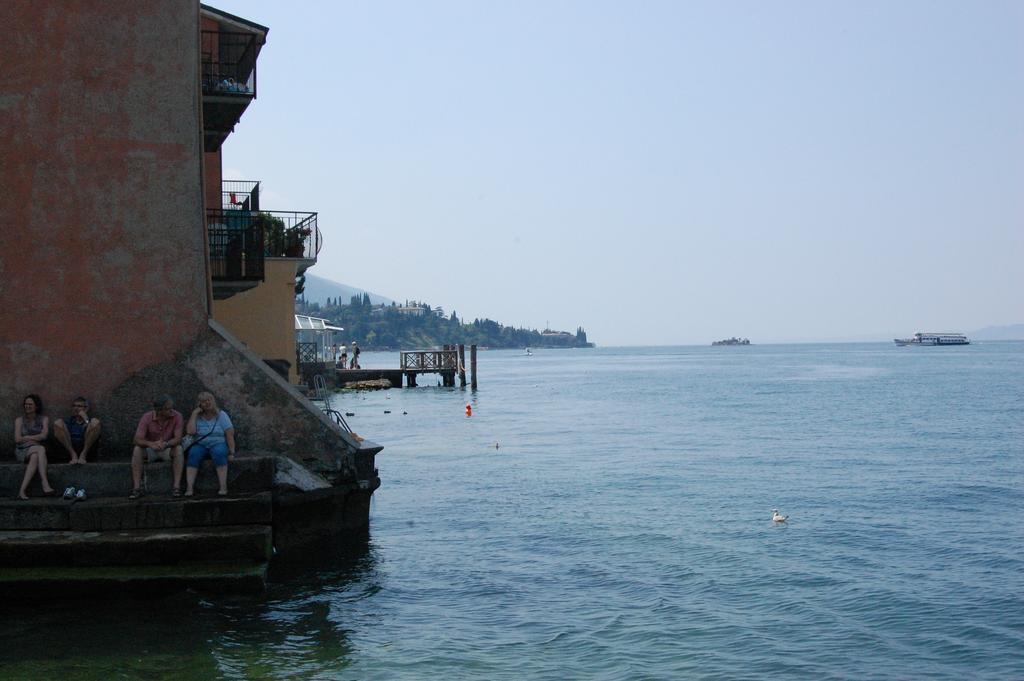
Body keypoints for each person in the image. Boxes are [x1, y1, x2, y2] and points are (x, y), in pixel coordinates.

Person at [129, 395, 184, 499]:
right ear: (159, 410)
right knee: (137, 450)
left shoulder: (177, 416)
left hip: (167, 448)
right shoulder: (147, 417)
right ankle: (136, 488)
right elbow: (136, 439)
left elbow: (178, 438)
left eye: (171, 407)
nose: (171, 411)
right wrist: (151, 444)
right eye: (168, 409)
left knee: (179, 449)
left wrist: (166, 444)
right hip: (151, 449)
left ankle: (176, 487)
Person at [184, 391, 236, 497]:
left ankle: (223, 486)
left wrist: (231, 452)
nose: (207, 403)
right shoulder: (197, 417)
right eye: (203, 401)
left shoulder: (222, 415)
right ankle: (189, 487)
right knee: (193, 454)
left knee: (219, 453)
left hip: (218, 443)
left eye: (209, 400)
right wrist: (194, 414)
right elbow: (190, 432)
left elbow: (229, 434)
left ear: (213, 401)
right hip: (201, 444)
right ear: (199, 405)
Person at [14, 394, 55, 499]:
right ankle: (45, 483)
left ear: (36, 406)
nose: (27, 406)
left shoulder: (44, 419)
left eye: (30, 404)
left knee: (35, 457)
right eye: (26, 404)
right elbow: (17, 439)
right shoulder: (19, 420)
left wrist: (27, 437)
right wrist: (35, 437)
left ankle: (21, 491)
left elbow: (44, 436)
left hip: (36, 451)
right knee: (40, 448)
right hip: (22, 449)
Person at [52, 396, 102, 464]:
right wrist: (72, 452)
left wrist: (85, 419)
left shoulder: (89, 421)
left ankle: (83, 455)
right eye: (74, 406)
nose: (76, 408)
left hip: (87, 449)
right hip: (70, 449)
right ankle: (73, 455)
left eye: (79, 406)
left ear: (86, 409)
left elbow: (91, 426)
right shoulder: (69, 421)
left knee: (95, 421)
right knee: (58, 422)